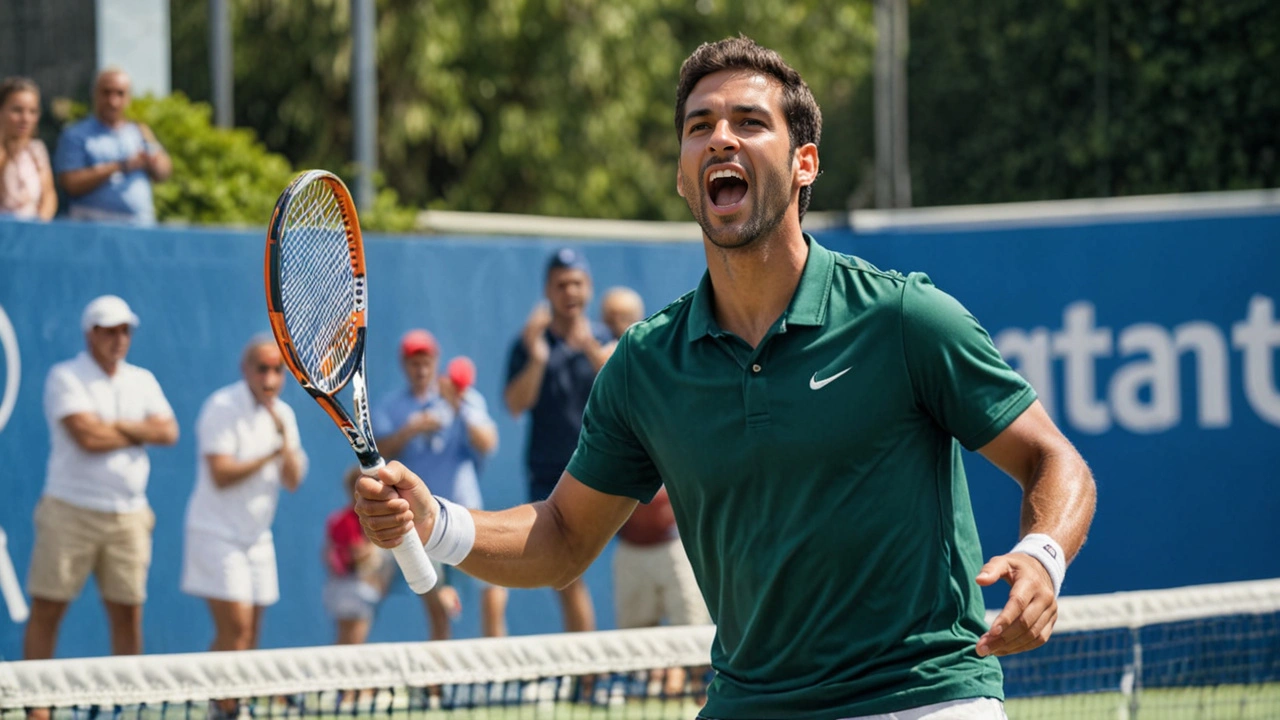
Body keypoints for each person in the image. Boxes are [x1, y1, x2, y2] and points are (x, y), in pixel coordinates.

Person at [356, 36, 1097, 720]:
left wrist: (1042, 557)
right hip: (751, 704)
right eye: (700, 125)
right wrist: (436, 522)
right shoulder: (646, 366)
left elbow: (1054, 461)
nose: (720, 137)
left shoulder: (904, 317)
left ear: (804, 163)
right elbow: (562, 535)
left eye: (749, 121)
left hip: (924, 697)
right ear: (684, 175)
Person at [25, 295, 179, 663]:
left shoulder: (142, 379)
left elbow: (169, 431)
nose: (120, 338)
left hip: (129, 515)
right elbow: (88, 438)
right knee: (49, 608)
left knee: (128, 613)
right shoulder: (65, 376)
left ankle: (125, 707)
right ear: (91, 334)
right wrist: (142, 430)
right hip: (69, 510)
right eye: (111, 331)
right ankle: (37, 706)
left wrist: (117, 426)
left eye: (126, 330)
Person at [602, 288, 711, 696]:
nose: (617, 327)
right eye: (610, 318)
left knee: (695, 646)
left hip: (675, 546)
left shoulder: (671, 373)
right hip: (630, 547)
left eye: (624, 317)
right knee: (637, 651)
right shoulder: (602, 382)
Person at [502, 249, 613, 634]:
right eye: (561, 284)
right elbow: (516, 404)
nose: (570, 292)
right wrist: (537, 357)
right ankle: (587, 675)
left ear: (589, 288)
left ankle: (589, 673)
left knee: (569, 573)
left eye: (577, 283)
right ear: (547, 290)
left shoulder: (605, 340)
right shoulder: (529, 344)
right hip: (548, 475)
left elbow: (624, 387)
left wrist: (590, 350)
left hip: (600, 473)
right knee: (564, 575)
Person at [373, 329, 505, 639]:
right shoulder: (391, 407)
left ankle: (499, 669)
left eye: (426, 362)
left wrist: (458, 407)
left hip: (467, 513)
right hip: (423, 520)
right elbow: (379, 453)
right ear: (404, 365)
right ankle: (438, 685)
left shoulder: (463, 398)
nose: (420, 369)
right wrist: (411, 430)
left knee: (495, 587)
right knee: (437, 606)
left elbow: (488, 443)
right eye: (413, 363)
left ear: (436, 362)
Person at [180, 335, 307, 655]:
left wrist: (284, 445)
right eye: (262, 369)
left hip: (258, 538)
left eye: (277, 370)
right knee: (236, 629)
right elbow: (221, 475)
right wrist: (271, 453)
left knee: (250, 634)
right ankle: (223, 706)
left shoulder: (284, 416)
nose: (270, 379)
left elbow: (292, 481)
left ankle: (232, 703)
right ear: (245, 369)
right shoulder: (221, 407)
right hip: (216, 534)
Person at [53, 68, 171, 225]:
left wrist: (153, 158)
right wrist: (121, 166)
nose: (113, 101)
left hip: (139, 226)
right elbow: (70, 184)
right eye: (106, 93)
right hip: (92, 227)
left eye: (120, 94)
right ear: (95, 94)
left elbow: (164, 173)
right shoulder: (76, 134)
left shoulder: (139, 132)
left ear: (129, 98)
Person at [324, 466, 394, 646]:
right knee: (353, 641)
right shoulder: (349, 520)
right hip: (354, 588)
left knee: (348, 639)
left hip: (350, 587)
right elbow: (355, 553)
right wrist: (373, 549)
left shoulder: (342, 519)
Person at [0, 77, 56, 220]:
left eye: (33, 111)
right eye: (17, 110)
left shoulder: (37, 149)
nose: (26, 119)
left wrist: (38, 225)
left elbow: (48, 195)